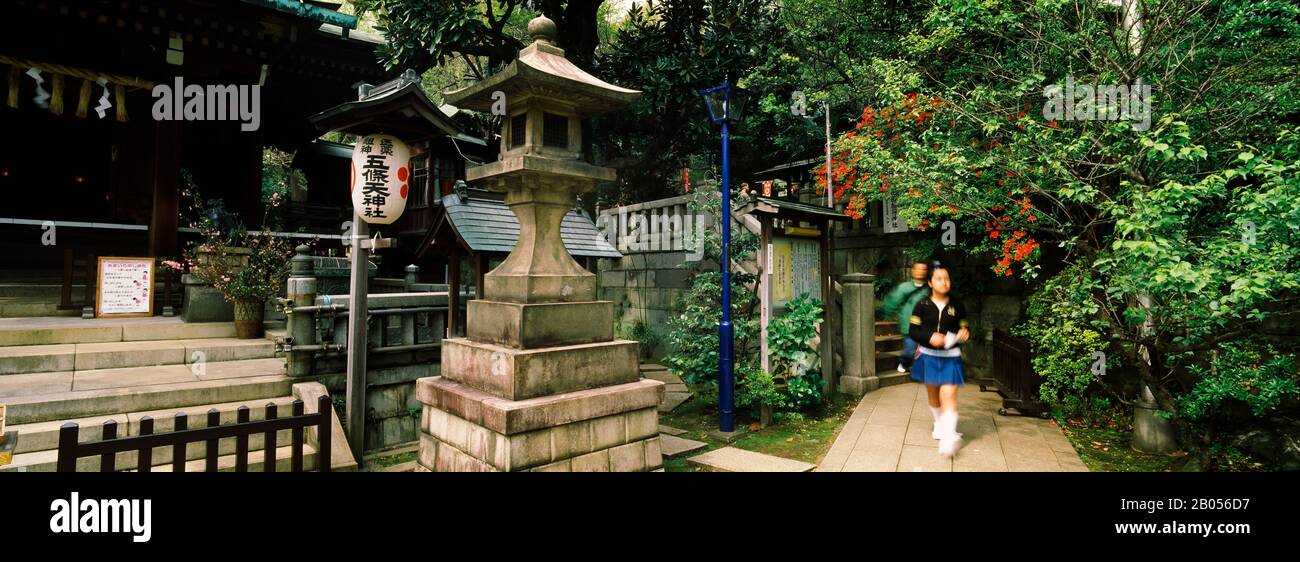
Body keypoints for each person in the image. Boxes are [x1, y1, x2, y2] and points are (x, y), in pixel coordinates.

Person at [908, 263, 970, 457]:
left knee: (948, 394)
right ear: (930, 282)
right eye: (939, 278)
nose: (944, 282)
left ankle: (949, 436)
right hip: (928, 356)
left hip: (951, 356)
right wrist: (930, 337)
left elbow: (965, 326)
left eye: (947, 278)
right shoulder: (922, 305)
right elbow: (913, 331)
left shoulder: (957, 305)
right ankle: (939, 424)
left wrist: (964, 332)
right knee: (934, 394)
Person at [879, 260, 930, 373]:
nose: (921, 271)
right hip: (909, 325)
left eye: (924, 269)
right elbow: (892, 301)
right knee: (910, 350)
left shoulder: (929, 289)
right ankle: (904, 362)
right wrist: (887, 315)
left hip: (926, 326)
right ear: (913, 271)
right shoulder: (904, 287)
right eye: (918, 268)